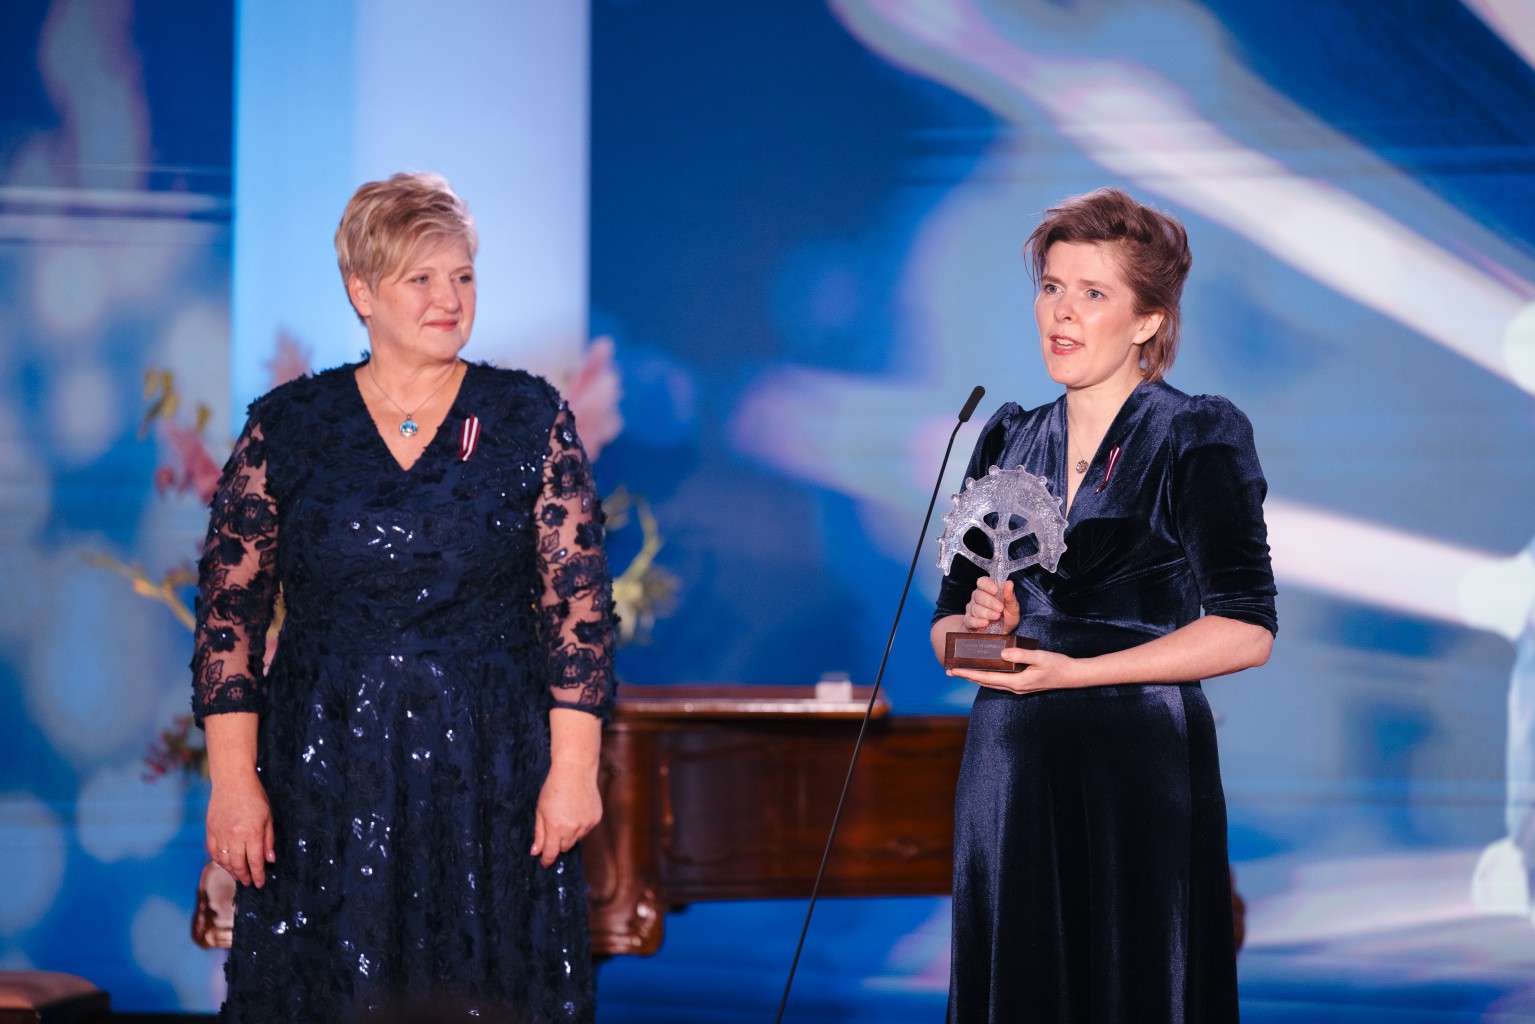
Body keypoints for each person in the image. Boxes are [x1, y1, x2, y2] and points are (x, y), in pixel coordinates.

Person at [191, 172, 616, 1023]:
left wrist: (574, 773)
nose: (448, 299)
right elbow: (228, 619)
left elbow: (578, 614)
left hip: (491, 773)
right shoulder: (290, 424)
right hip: (322, 769)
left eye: (462, 276)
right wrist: (233, 784)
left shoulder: (527, 416)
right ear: (362, 291)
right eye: (420, 278)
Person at [931, 187, 1277, 1023]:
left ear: (1147, 320)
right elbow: (945, 629)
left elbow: (1246, 630)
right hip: (1010, 765)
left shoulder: (1194, 434)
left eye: (1093, 293)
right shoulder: (1004, 436)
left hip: (1136, 763)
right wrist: (979, 628)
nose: (1062, 311)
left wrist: (1072, 673)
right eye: (1052, 286)